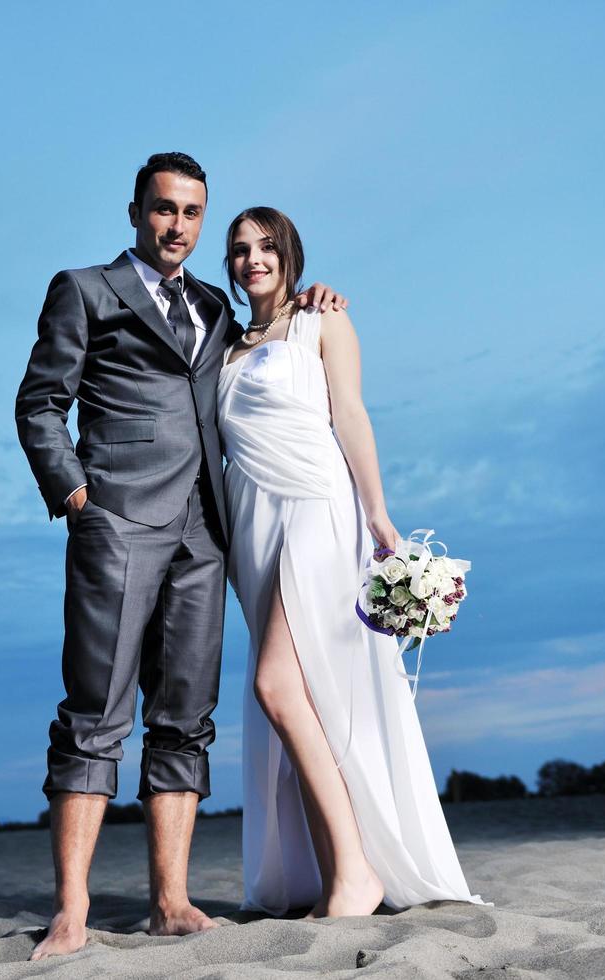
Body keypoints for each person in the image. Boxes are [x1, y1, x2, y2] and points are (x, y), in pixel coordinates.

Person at [14, 154, 344, 959]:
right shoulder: (85, 288)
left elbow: (265, 343)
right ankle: (71, 911)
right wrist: (77, 496)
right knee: (94, 715)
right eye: (164, 209)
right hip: (117, 522)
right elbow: (40, 401)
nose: (178, 226)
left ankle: (170, 902)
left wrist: (310, 301)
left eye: (193, 213)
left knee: (186, 719)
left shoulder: (212, 306)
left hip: (207, 534)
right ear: (136, 211)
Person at [218, 206, 486, 917]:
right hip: (252, 527)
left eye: (267, 246)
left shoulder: (323, 321)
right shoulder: (224, 344)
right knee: (301, 699)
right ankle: (339, 869)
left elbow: (352, 415)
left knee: (278, 685)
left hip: (314, 503)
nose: (253, 260)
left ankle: (359, 873)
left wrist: (378, 514)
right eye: (240, 249)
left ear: (290, 254)